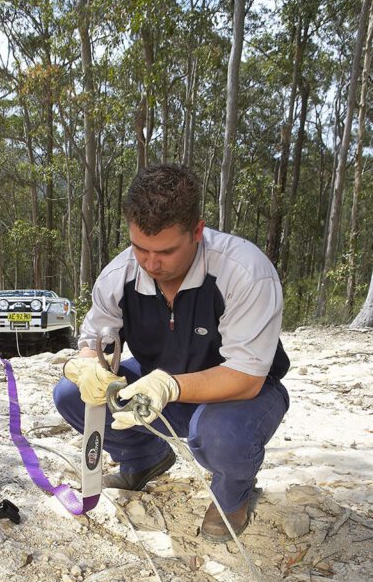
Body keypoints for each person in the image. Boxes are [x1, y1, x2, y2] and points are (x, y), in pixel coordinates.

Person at [53, 163, 290, 541]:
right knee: (70, 395)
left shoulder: (245, 272)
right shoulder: (119, 276)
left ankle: (233, 496)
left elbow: (247, 377)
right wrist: (85, 366)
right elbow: (93, 341)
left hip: (240, 397)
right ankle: (145, 460)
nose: (150, 264)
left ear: (197, 230)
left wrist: (168, 386)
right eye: (139, 248)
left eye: (165, 251)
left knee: (219, 433)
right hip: (155, 386)